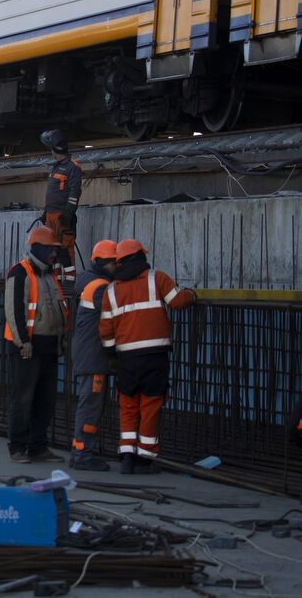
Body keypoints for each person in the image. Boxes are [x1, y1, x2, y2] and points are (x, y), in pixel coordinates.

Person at [100, 239, 195, 474]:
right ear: (141, 257)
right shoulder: (157, 278)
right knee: (151, 405)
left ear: (119, 261)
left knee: (128, 404)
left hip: (126, 359)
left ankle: (127, 456)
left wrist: (112, 354)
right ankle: (145, 459)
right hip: (154, 355)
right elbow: (178, 301)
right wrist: (192, 294)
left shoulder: (111, 290)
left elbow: (105, 329)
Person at [3, 226, 69, 463]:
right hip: (28, 349)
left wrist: (61, 341)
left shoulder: (49, 275)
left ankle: (38, 446)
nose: (54, 254)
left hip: (49, 347)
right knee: (23, 398)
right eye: (51, 249)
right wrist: (23, 342)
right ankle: (18, 447)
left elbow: (58, 310)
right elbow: (14, 309)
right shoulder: (19, 272)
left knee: (45, 400)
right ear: (39, 248)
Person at [69, 239, 118, 471]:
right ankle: (83, 455)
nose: (117, 267)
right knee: (90, 406)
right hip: (94, 357)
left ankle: (79, 451)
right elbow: (116, 316)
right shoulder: (100, 287)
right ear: (102, 262)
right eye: (113, 263)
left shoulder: (91, 282)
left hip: (89, 355)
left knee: (89, 404)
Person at [40, 129, 82, 285]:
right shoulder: (56, 167)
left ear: (54, 149)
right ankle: (56, 281)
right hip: (51, 215)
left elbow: (75, 192)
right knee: (53, 250)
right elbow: (53, 193)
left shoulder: (73, 167)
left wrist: (68, 213)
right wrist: (46, 211)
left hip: (62, 216)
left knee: (66, 249)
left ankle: (70, 284)